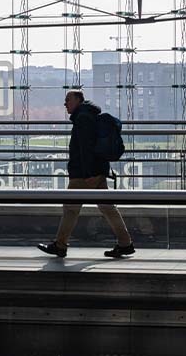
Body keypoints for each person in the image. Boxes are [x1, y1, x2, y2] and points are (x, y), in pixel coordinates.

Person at [37, 91, 133, 258]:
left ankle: (60, 245)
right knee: (107, 208)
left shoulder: (83, 118)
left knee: (70, 209)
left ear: (78, 100)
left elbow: (85, 148)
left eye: (68, 100)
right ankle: (125, 243)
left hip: (84, 173)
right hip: (97, 170)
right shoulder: (88, 115)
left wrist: (88, 172)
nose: (65, 103)